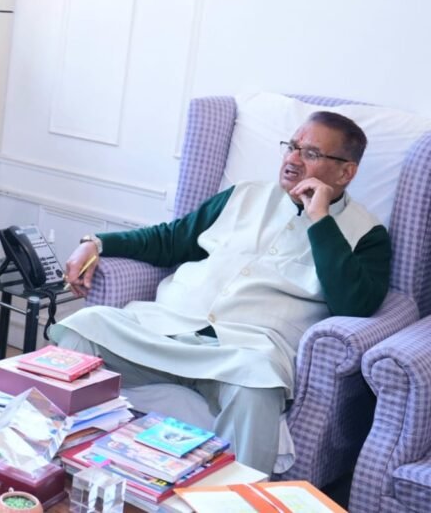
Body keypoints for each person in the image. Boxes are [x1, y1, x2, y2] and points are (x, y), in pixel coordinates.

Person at [51, 111, 391, 474]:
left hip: (242, 355)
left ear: (345, 172)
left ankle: (235, 496)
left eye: (310, 153)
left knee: (258, 389)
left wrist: (320, 220)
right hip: (162, 330)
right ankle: (50, 466)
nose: (292, 159)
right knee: (84, 327)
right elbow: (171, 239)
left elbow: (354, 304)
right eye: (292, 147)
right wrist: (97, 243)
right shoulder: (243, 195)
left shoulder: (366, 234)